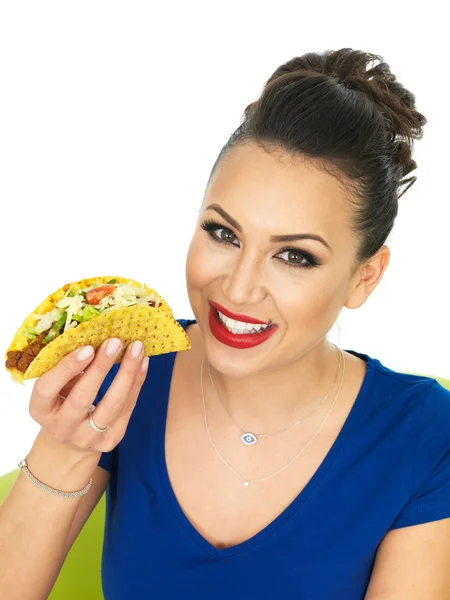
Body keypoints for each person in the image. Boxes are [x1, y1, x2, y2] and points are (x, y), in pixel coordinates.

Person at [1, 47, 450, 599]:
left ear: (365, 277)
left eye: (295, 256)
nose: (238, 289)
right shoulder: (127, 372)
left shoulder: (423, 434)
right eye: (223, 233)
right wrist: (64, 447)